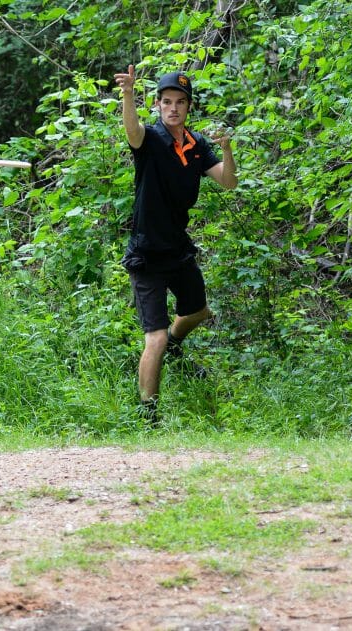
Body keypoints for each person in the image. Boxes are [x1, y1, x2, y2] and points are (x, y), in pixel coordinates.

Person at [112, 64, 238, 425]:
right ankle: (148, 415)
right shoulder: (150, 140)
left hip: (178, 250)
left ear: (188, 107)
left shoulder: (198, 146)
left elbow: (228, 182)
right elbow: (132, 131)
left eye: (180, 102)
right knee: (155, 339)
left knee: (198, 312)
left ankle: (176, 343)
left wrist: (226, 148)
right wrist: (127, 94)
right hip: (147, 254)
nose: (173, 108)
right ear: (157, 105)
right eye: (166, 102)